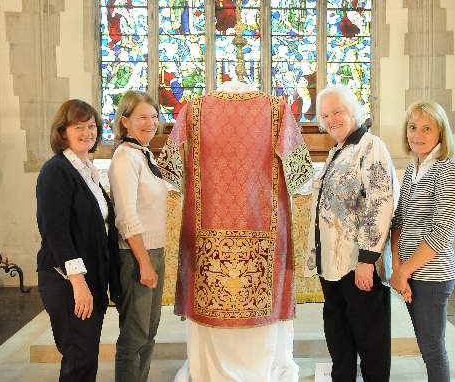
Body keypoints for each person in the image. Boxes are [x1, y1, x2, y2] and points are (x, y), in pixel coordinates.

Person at [158, 80, 314, 382]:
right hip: (263, 230)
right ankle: (264, 369)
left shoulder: (194, 108)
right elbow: (300, 174)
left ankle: (208, 370)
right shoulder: (277, 109)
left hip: (207, 237)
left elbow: (170, 168)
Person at [305, 84, 397, 382]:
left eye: (337, 112)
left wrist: (368, 259)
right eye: (325, 115)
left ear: (353, 112)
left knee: (370, 338)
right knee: (338, 335)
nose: (331, 119)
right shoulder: (339, 150)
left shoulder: (371, 147)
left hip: (358, 263)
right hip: (331, 265)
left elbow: (381, 204)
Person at [36, 99, 120, 382]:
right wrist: (79, 283)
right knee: (78, 358)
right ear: (63, 132)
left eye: (92, 126)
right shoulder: (56, 171)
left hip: (89, 279)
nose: (87, 132)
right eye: (79, 127)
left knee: (85, 357)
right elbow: (55, 231)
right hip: (66, 280)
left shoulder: (87, 169)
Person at [390, 100, 455, 382]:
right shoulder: (412, 169)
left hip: (432, 276)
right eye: (412, 127)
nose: (417, 135)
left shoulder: (448, 171)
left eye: (426, 128)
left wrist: (404, 271)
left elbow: (440, 233)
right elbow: (398, 222)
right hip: (408, 273)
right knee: (425, 345)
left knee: (433, 349)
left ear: (441, 134)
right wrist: (398, 268)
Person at [109, 90, 168, 382]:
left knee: (149, 332)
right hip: (136, 255)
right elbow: (126, 217)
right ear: (125, 121)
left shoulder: (143, 154)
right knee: (134, 336)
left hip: (154, 251)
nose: (151, 122)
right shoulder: (124, 158)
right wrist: (144, 263)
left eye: (154, 117)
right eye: (142, 117)